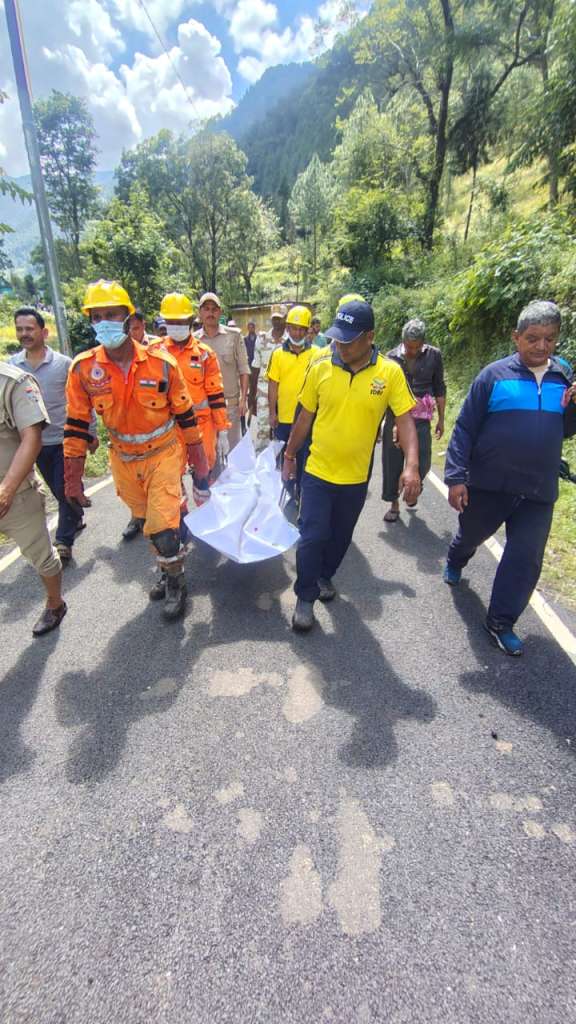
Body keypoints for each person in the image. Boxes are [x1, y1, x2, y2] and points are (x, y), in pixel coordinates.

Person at [64, 279, 209, 620]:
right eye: (96, 316)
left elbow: (186, 416)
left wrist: (200, 462)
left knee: (162, 525)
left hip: (163, 454)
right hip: (123, 460)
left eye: (111, 314)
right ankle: (167, 567)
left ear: (129, 318)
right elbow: (76, 425)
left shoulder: (162, 364)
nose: (104, 322)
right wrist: (72, 478)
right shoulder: (83, 369)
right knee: (147, 522)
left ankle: (176, 582)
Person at [443, 300, 576, 657]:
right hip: (490, 483)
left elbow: (565, 430)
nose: (542, 346)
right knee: (471, 533)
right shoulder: (493, 377)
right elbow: (465, 428)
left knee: (526, 557)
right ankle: (457, 557)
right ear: (516, 337)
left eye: (550, 338)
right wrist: (455, 476)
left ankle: (500, 622)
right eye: (533, 338)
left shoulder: (562, 379)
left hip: (538, 488)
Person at [282, 299, 420, 632]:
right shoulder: (320, 367)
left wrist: (412, 465)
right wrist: (289, 456)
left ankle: (324, 575)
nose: (340, 346)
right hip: (317, 471)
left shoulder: (389, 373)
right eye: (337, 338)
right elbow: (305, 417)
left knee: (340, 537)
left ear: (370, 337)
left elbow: (404, 420)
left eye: (348, 340)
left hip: (356, 478)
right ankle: (305, 596)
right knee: (312, 535)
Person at [10, 306, 98, 564]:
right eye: (20, 329)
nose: (24, 334)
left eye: (29, 329)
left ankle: (63, 542)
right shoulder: (12, 367)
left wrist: (91, 433)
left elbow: (84, 402)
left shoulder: (64, 365)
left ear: (44, 332)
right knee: (58, 491)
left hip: (65, 441)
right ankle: (75, 514)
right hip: (32, 445)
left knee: (64, 489)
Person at [0, 361, 66, 636]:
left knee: (41, 556)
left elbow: (32, 438)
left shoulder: (12, 382)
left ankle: (55, 603)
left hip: (16, 495)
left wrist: (6, 490)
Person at [154, 292, 230, 479]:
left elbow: (216, 394)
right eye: (171, 322)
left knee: (204, 474)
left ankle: (203, 494)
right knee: (171, 478)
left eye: (180, 322)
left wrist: (222, 430)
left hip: (201, 425)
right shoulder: (155, 353)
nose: (176, 326)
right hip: (170, 428)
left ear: (190, 320)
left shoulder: (204, 354)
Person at [382, 318, 446, 522]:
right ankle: (394, 503)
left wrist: (441, 419)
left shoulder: (434, 355)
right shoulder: (390, 358)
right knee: (392, 463)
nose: (413, 351)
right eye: (409, 347)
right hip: (395, 416)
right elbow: (384, 393)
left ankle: (413, 487)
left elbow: (439, 387)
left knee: (423, 461)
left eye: (417, 347)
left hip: (421, 418)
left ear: (423, 343)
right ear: (403, 342)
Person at [266, 305, 315, 489]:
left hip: (307, 419)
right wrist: (272, 413)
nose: (297, 333)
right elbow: (273, 385)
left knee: (305, 462)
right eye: (293, 328)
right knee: (284, 463)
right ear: (287, 328)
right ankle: (286, 495)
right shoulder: (278, 354)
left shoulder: (317, 354)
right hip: (284, 419)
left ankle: (302, 496)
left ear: (308, 330)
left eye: (301, 329)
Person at [195, 293, 250, 450]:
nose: (210, 313)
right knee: (209, 454)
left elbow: (243, 369)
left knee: (233, 453)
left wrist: (243, 399)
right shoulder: (193, 341)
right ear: (200, 313)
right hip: (204, 408)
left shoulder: (234, 336)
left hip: (229, 406)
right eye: (206, 309)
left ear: (220, 312)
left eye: (214, 309)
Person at [250, 307, 287, 451]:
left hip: (284, 395)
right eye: (274, 318)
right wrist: (252, 396)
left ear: (286, 318)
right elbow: (255, 368)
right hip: (263, 393)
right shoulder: (262, 339)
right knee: (263, 432)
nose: (276, 321)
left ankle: (278, 462)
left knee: (281, 435)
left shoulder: (290, 341)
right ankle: (261, 462)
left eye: (280, 318)